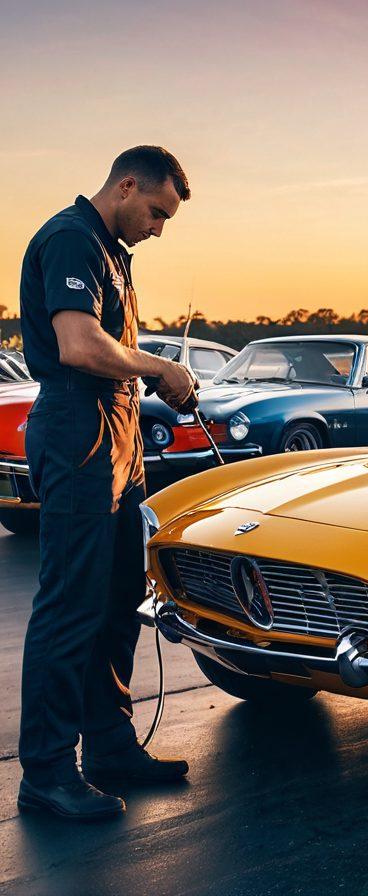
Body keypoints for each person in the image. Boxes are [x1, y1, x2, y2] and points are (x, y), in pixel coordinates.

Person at [17, 146, 198, 820]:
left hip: (118, 438)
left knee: (121, 595)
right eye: (156, 211)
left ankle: (112, 750)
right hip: (75, 432)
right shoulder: (71, 239)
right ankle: (47, 773)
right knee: (70, 605)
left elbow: (110, 352)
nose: (158, 227)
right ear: (126, 185)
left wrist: (147, 386)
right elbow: (79, 345)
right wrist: (161, 370)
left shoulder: (113, 250)